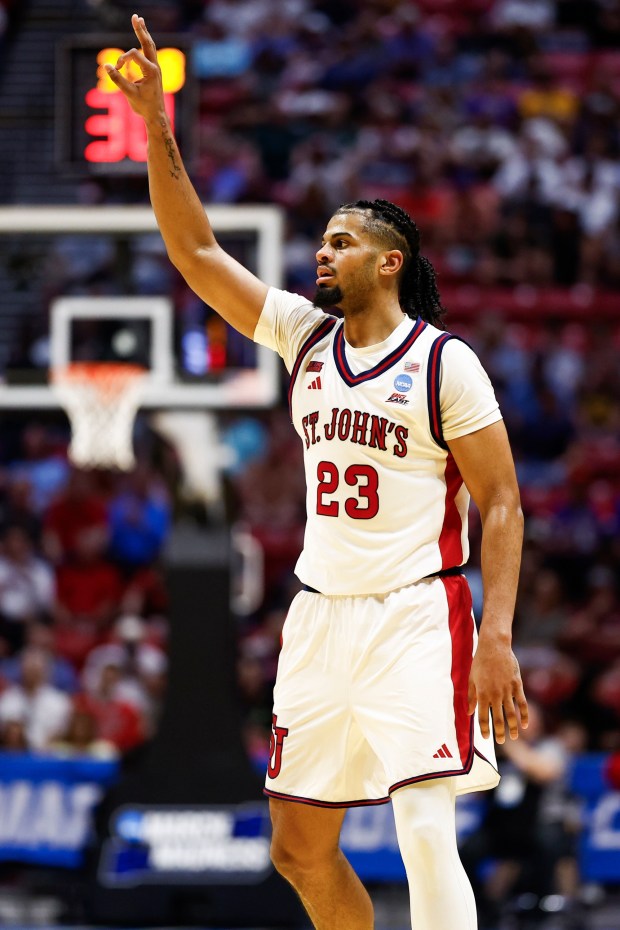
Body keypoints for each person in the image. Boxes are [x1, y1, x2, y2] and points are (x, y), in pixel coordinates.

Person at [106, 16, 529, 930]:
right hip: (318, 612)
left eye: (340, 242)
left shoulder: (444, 361)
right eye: (321, 241)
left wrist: (496, 633)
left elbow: (501, 502)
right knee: (297, 851)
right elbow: (197, 255)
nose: (320, 252)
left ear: (390, 261)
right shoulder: (303, 337)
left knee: (422, 822)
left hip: (419, 608)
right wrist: (156, 129)